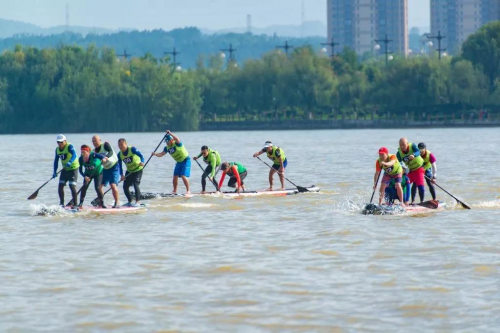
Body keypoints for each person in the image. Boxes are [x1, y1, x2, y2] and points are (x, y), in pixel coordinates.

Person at [152, 130, 191, 194]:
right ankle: (174, 191)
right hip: (178, 162)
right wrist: (155, 154)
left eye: (168, 141)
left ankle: (188, 190)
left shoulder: (177, 143)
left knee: (183, 176)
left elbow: (177, 138)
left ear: (171, 140)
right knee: (175, 176)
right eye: (166, 142)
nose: (167, 143)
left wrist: (170, 133)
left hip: (185, 160)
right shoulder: (166, 148)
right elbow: (161, 154)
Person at [92, 135, 120, 208]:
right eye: (93, 141)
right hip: (105, 169)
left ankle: (117, 203)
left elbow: (110, 152)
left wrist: (106, 157)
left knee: (112, 185)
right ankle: (101, 202)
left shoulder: (105, 145)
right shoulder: (94, 152)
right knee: (99, 186)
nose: (94, 142)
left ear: (100, 140)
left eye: (95, 140)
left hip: (114, 166)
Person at [53, 134, 80, 208]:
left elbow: (74, 155)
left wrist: (70, 162)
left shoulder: (69, 146)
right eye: (58, 142)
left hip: (73, 168)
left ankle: (75, 204)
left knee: (72, 186)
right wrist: (54, 171)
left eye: (61, 142)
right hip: (65, 169)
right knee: (60, 186)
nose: (59, 144)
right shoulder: (57, 149)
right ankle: (61, 204)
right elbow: (56, 161)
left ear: (65, 141)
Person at [396, 138, 425, 205]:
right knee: (404, 184)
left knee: (420, 185)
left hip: (419, 168)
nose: (402, 147)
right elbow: (398, 163)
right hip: (410, 171)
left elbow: (418, 151)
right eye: (400, 145)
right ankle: (405, 202)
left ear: (407, 144)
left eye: (404, 145)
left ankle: (422, 202)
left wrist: (413, 155)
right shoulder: (399, 153)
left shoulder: (412, 146)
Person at [117, 138, 145, 207]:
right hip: (129, 171)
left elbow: (141, 155)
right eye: (119, 145)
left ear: (126, 144)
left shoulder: (132, 149)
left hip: (138, 169)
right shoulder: (119, 154)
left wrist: (142, 162)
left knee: (136, 184)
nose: (121, 147)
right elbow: (120, 166)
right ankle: (130, 201)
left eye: (122, 145)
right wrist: (121, 175)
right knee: (125, 187)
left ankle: (137, 202)